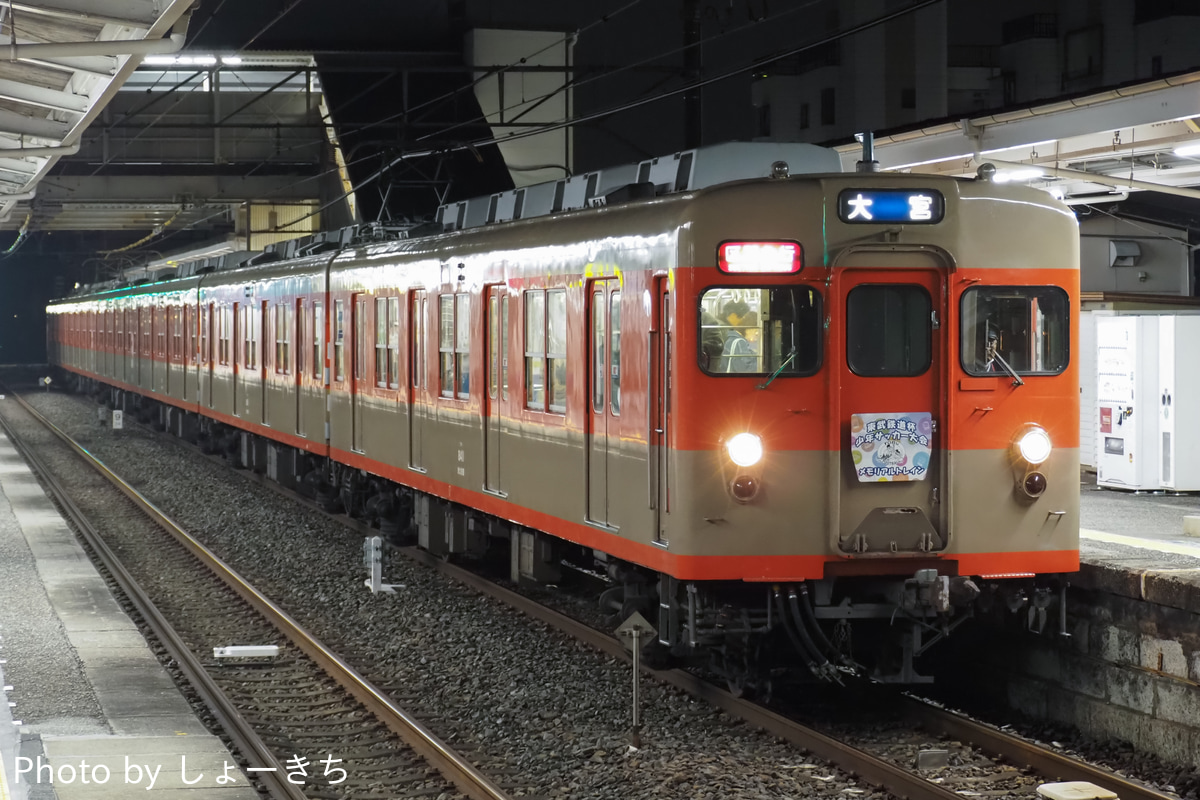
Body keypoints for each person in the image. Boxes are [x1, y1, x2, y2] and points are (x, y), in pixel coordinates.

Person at [709, 299, 751, 372]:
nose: (744, 321)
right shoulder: (724, 330)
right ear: (733, 316)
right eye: (743, 318)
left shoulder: (717, 324)